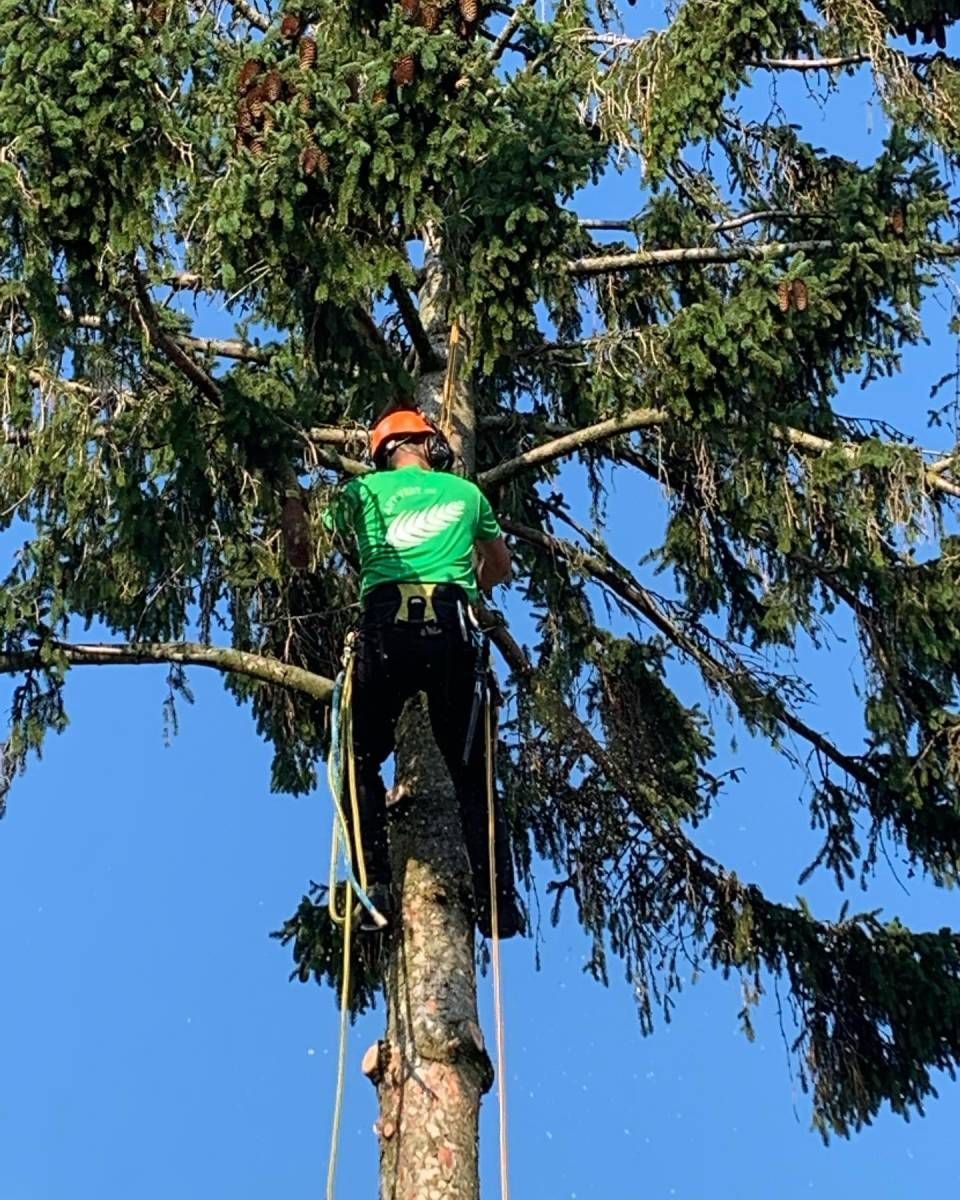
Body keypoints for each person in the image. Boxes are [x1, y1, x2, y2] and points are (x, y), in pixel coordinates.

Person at [327, 408, 524, 938]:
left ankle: (377, 890)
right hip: (451, 631)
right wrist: (469, 582)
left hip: (384, 631)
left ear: (385, 454)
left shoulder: (362, 494)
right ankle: (497, 901)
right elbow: (500, 565)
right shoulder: (465, 496)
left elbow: (318, 542)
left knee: (360, 760)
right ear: (424, 444)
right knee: (473, 774)